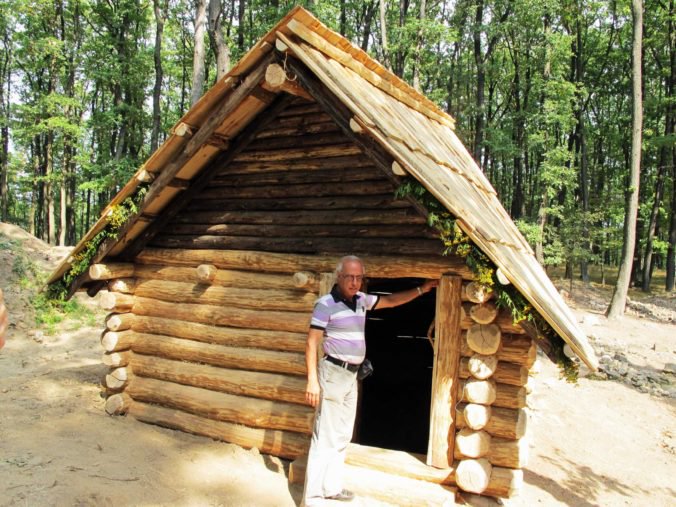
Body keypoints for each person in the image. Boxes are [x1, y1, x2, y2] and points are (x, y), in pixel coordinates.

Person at [301, 255, 438, 506]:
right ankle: (312, 497)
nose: (354, 282)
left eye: (358, 277)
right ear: (339, 277)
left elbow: (391, 300)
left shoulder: (361, 300)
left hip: (352, 376)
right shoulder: (326, 304)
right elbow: (312, 342)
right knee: (326, 435)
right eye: (349, 277)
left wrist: (421, 289)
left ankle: (330, 488)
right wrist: (312, 381)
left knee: (342, 434)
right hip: (332, 374)